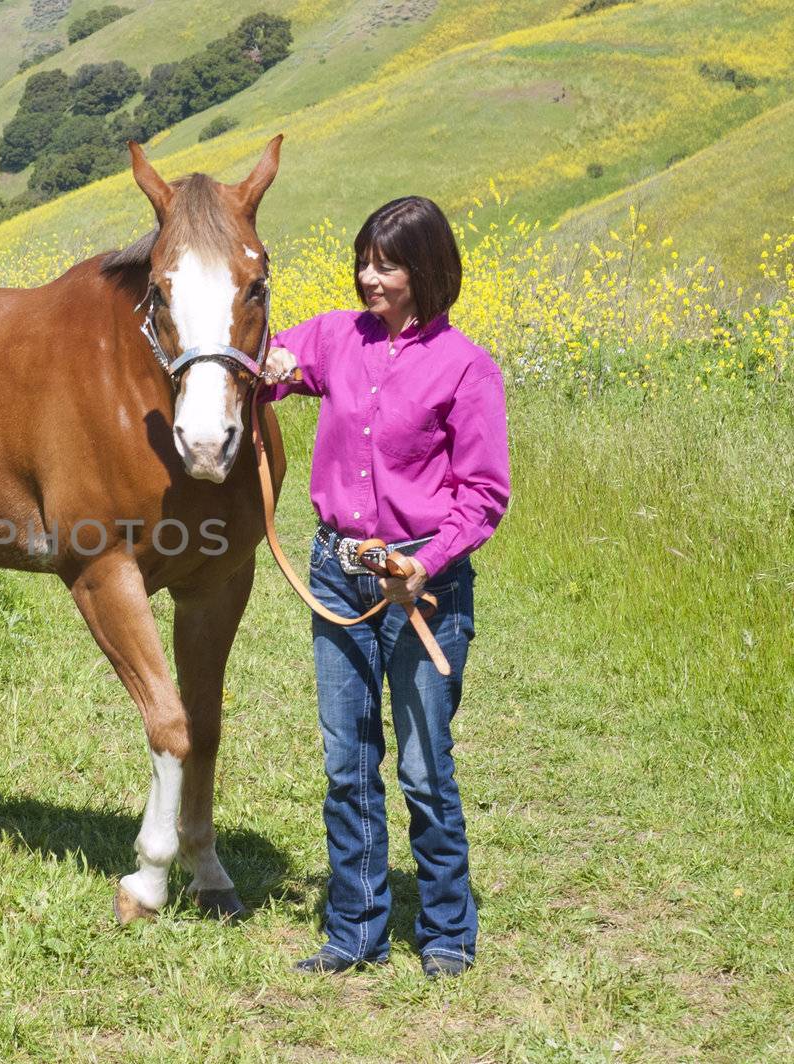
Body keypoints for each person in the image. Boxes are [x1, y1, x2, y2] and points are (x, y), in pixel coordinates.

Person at [256, 196, 510, 979]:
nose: (369, 276)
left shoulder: (467, 368)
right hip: (338, 572)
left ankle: (445, 936)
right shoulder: (338, 335)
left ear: (426, 271)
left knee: (425, 768)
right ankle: (355, 932)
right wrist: (265, 365)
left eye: (387, 264)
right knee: (347, 760)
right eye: (364, 259)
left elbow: (483, 495)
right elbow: (271, 365)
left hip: (419, 586)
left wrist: (425, 565)